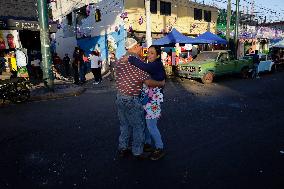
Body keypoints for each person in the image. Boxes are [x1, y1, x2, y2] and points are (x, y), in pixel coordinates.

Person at [115, 38, 165, 160]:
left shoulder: (120, 60)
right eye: (139, 46)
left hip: (120, 97)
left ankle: (123, 148)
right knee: (138, 126)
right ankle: (137, 151)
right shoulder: (137, 62)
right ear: (135, 47)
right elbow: (147, 81)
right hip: (132, 98)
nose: (141, 49)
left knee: (124, 125)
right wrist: (161, 83)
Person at [127, 45, 166, 160]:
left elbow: (144, 71)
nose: (149, 55)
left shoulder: (156, 65)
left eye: (152, 53)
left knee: (151, 125)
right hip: (147, 99)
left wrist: (130, 58)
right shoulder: (151, 65)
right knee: (145, 123)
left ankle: (160, 147)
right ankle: (148, 144)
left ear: (158, 55)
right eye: (148, 52)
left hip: (153, 100)